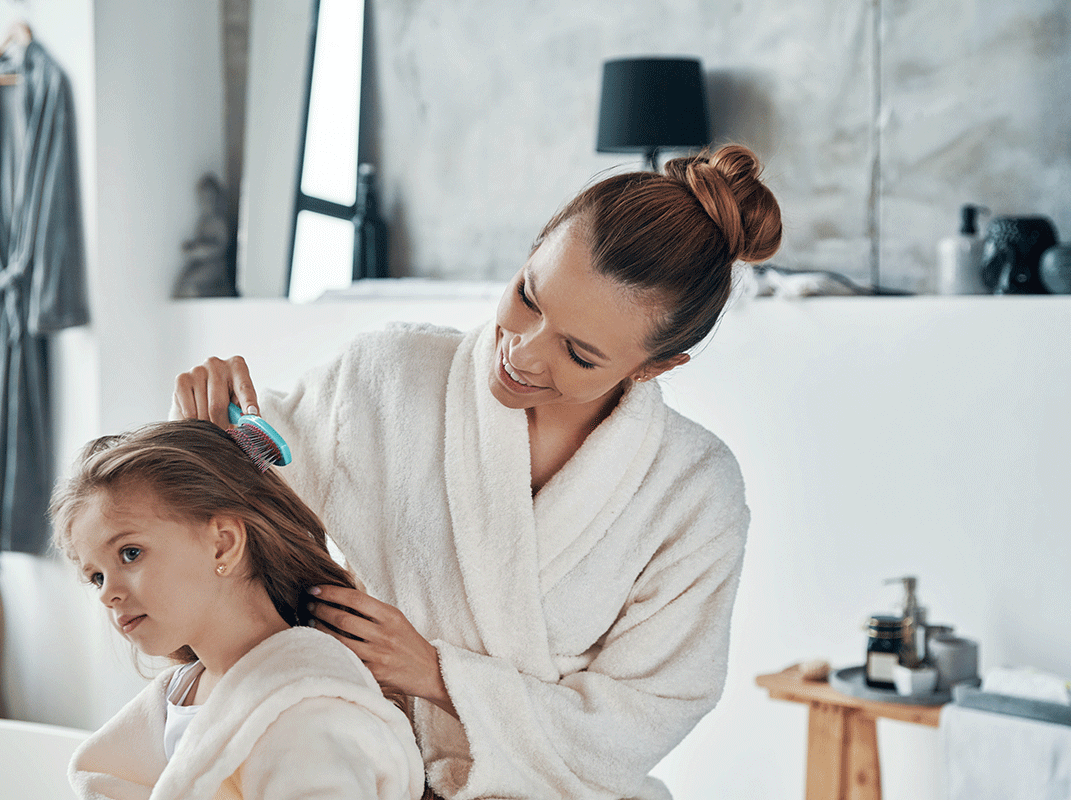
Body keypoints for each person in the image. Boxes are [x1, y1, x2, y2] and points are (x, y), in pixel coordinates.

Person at [171, 144, 783, 800]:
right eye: (528, 295)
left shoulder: (694, 490)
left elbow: (643, 716)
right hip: (372, 770)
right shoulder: (391, 374)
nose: (522, 349)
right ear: (534, 248)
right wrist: (210, 439)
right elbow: (258, 495)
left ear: (651, 368)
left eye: (577, 353)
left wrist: (438, 675)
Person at [51, 419, 426, 800]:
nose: (107, 594)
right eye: (96, 577)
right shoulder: (182, 694)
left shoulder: (305, 711)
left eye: (130, 554)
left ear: (223, 544)